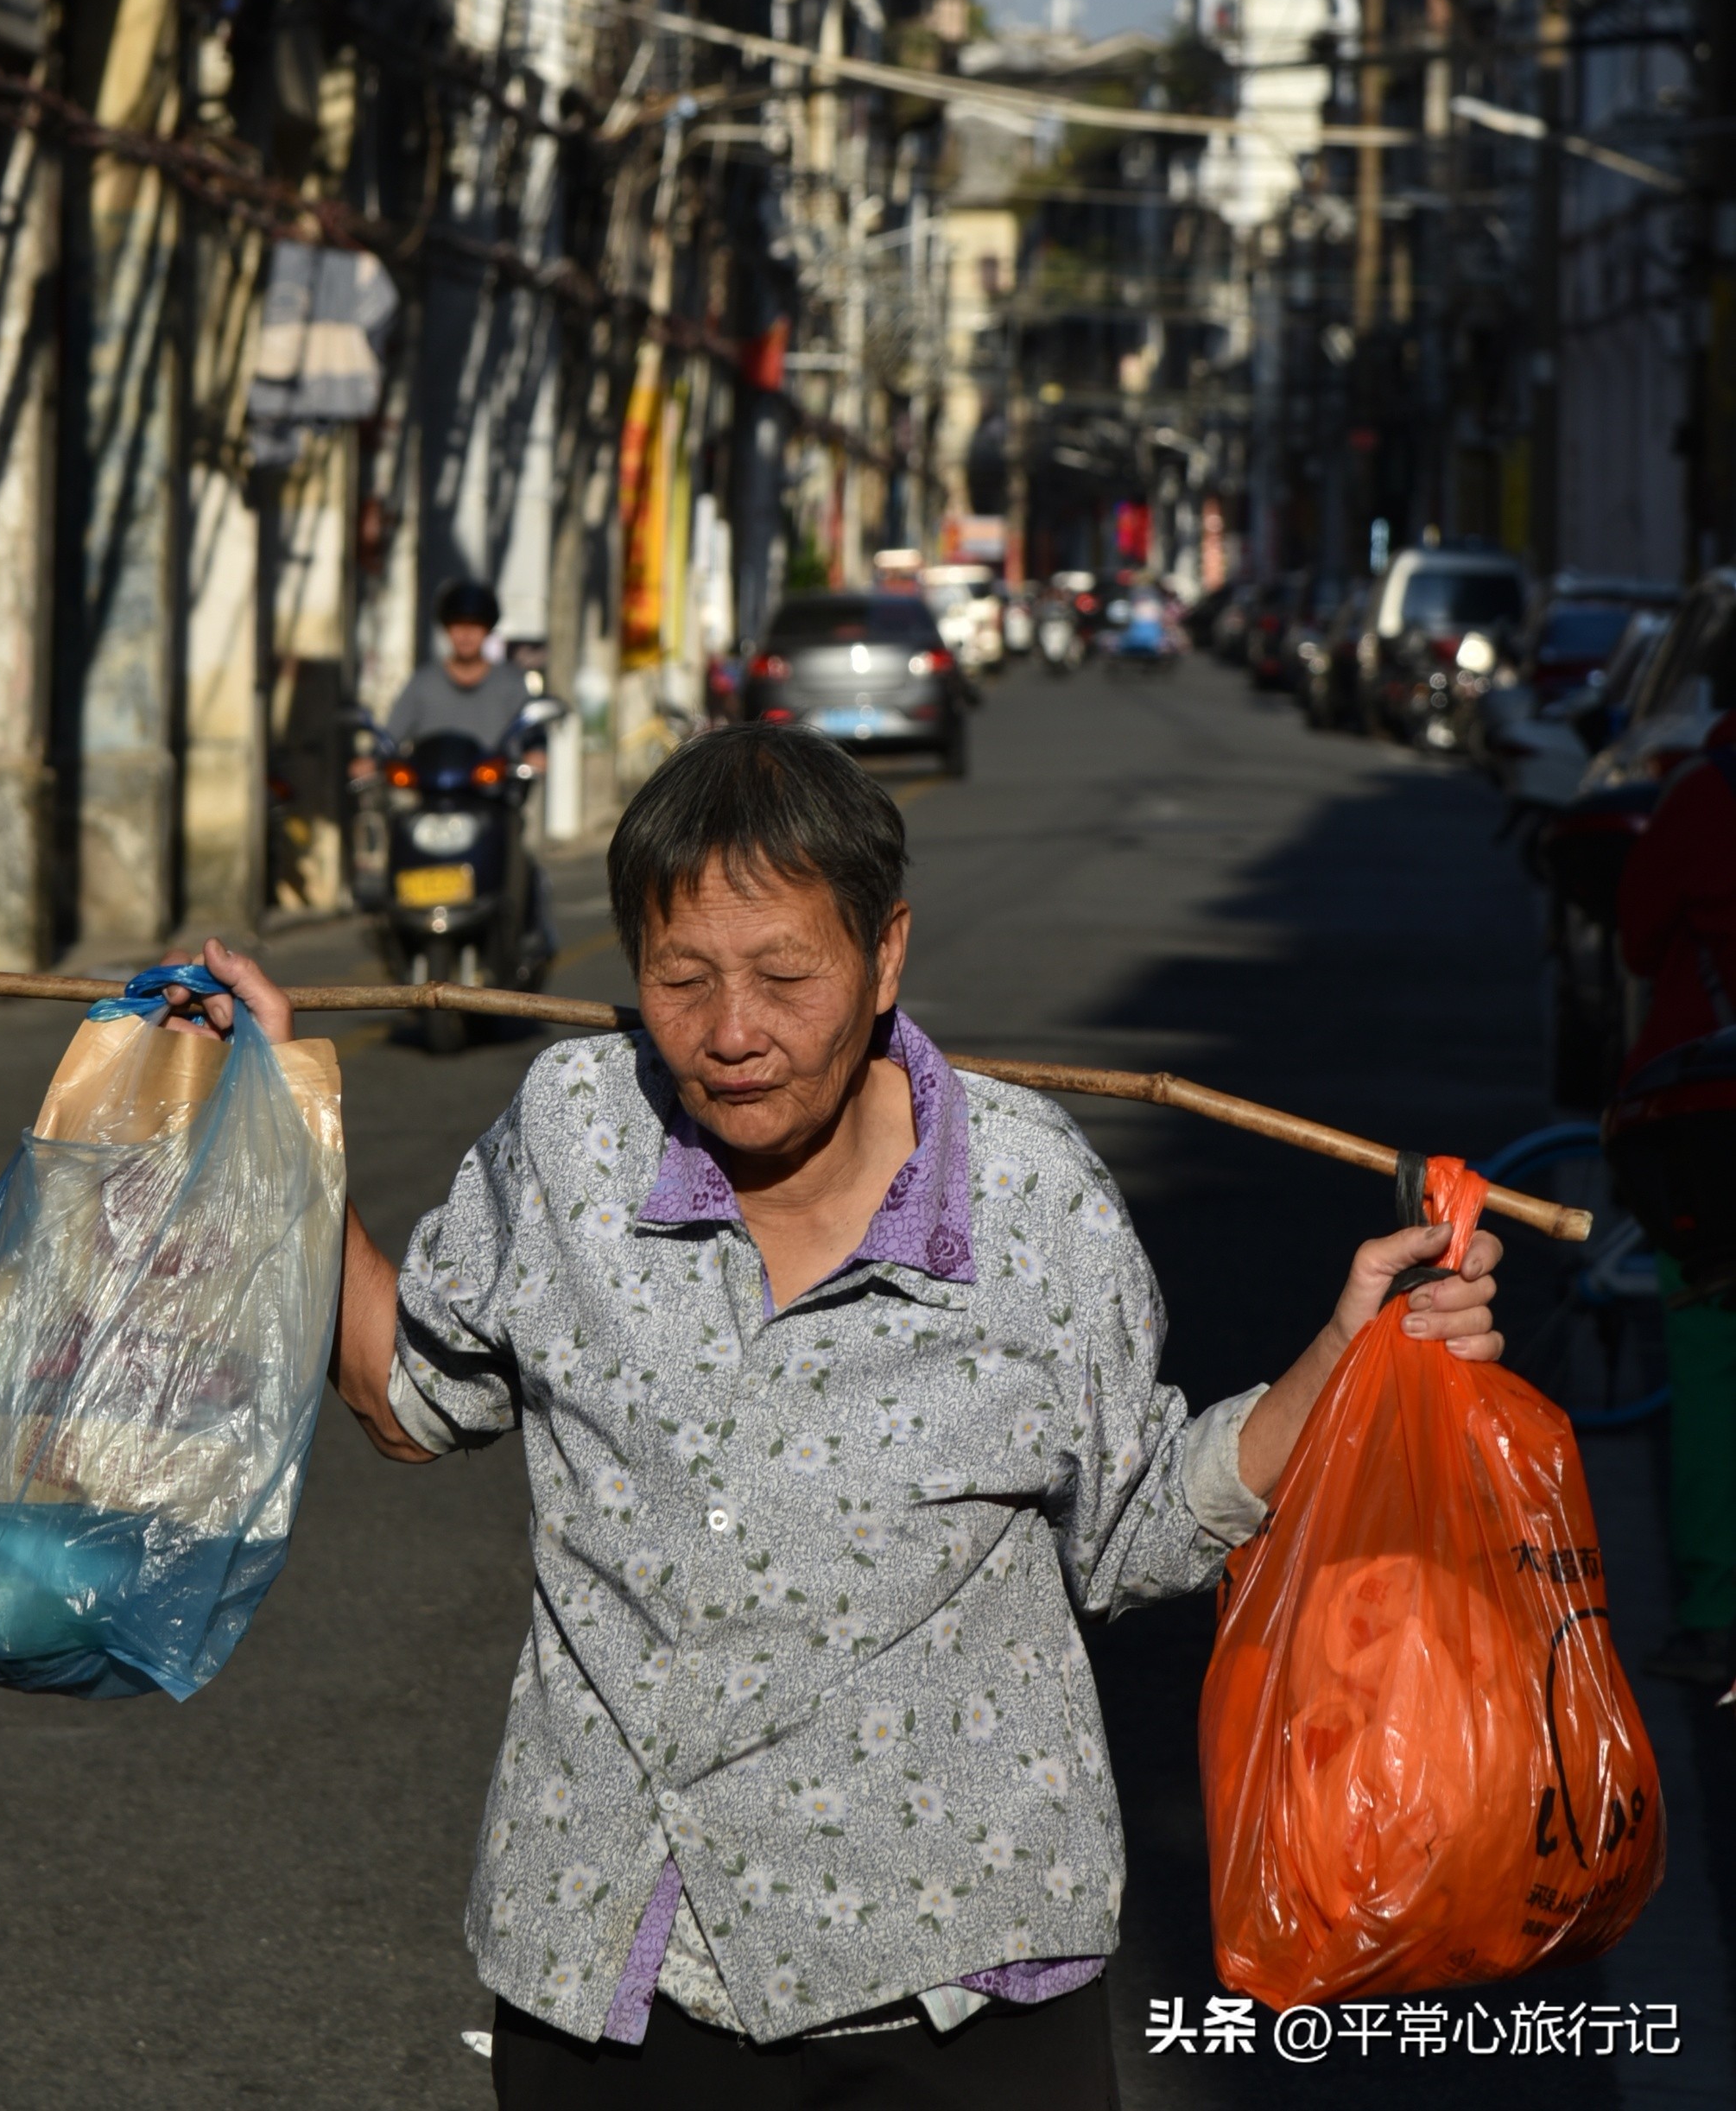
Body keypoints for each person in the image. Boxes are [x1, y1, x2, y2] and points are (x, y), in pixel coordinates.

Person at [170, 726, 1500, 2105]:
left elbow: (1134, 1528)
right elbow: (408, 1394)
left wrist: (1348, 1357)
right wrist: (279, 1118)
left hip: (962, 1999)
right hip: (621, 1976)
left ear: (886, 955)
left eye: (785, 976)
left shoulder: (1031, 1197)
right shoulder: (573, 1131)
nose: (731, 1033)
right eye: (678, 981)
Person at [1616, 713, 1736, 1691]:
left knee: (1707, 1365)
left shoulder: (1702, 792)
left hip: (1709, 1124)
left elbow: (1635, 936)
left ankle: (1710, 1615)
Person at [383, 577, 556, 966]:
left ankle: (524, 935)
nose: (465, 635)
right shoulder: (423, 684)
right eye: (457, 626)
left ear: (487, 631)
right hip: (431, 805)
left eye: (474, 626)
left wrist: (535, 753)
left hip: (492, 806)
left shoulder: (510, 684)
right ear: (446, 630)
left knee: (520, 861)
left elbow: (534, 733)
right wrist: (373, 758)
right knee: (397, 837)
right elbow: (390, 738)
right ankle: (393, 929)